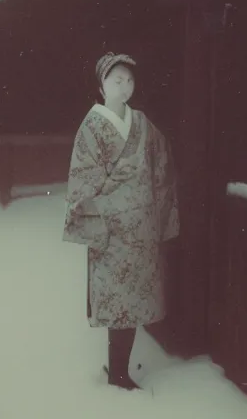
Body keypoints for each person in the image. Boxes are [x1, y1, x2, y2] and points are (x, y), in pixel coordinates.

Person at [63, 52, 180, 391]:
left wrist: (152, 200)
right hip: (111, 229)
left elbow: (162, 162)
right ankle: (117, 374)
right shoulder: (91, 126)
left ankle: (120, 370)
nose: (125, 85)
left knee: (135, 299)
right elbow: (82, 180)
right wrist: (116, 184)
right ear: (101, 87)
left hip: (140, 226)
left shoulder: (142, 122)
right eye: (117, 80)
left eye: (129, 79)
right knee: (118, 302)